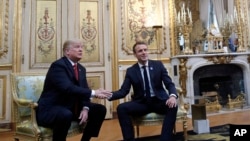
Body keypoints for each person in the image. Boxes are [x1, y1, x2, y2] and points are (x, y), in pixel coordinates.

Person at [36, 39, 112, 141]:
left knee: (100, 110)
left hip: (72, 108)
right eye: (77, 47)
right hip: (52, 109)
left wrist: (85, 108)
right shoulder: (58, 66)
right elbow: (68, 88)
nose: (81, 50)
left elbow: (83, 89)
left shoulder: (81, 68)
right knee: (65, 114)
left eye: (81, 47)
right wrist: (94, 93)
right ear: (67, 51)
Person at [108, 41, 178, 141]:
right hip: (142, 103)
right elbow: (123, 91)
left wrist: (172, 96)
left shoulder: (158, 65)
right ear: (135, 54)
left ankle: (165, 139)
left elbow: (169, 84)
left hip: (158, 100)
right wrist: (109, 95)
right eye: (140, 51)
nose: (144, 52)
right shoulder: (131, 71)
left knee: (173, 105)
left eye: (145, 50)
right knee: (121, 108)